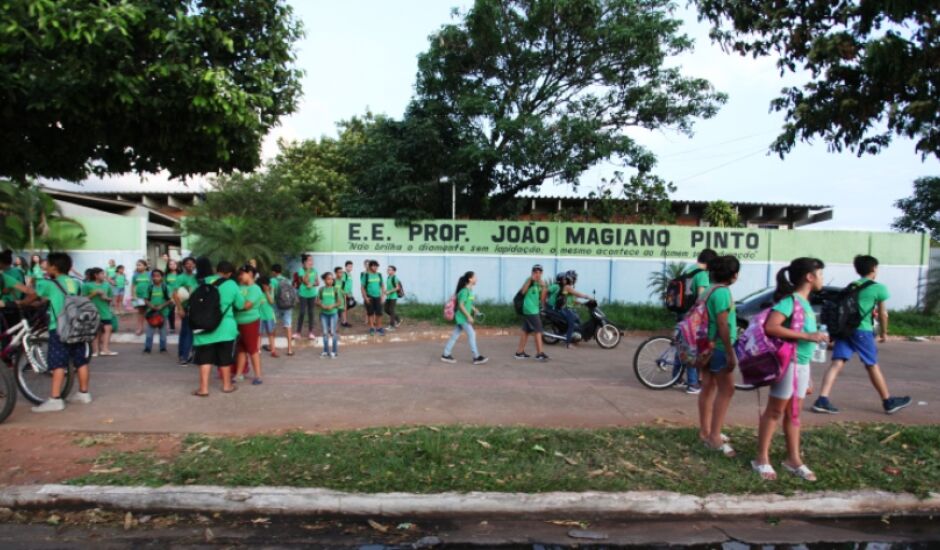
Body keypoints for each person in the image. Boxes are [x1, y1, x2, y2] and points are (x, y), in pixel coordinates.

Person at [752, 258, 829, 482]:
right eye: (821, 274)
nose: (822, 279)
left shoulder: (805, 304)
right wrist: (808, 335)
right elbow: (771, 326)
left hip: (801, 365)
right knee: (775, 412)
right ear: (810, 277)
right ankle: (761, 459)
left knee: (794, 414)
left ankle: (793, 459)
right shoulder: (791, 302)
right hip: (789, 366)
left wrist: (809, 376)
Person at [813, 255, 912, 415]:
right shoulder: (879, 288)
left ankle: (822, 399)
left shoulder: (852, 286)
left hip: (845, 330)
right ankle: (888, 401)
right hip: (862, 330)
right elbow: (883, 313)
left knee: (837, 363)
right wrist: (884, 333)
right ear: (873, 269)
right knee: (872, 364)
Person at [15, 252, 92, 412]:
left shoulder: (49, 283)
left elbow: (34, 297)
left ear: (54, 268)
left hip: (58, 327)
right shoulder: (75, 283)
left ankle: (55, 399)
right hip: (77, 326)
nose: (46, 267)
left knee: (57, 363)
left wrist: (21, 303)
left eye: (47, 264)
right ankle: (83, 393)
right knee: (80, 360)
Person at [698, 255, 741, 458]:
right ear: (732, 275)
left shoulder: (708, 289)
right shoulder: (723, 292)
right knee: (727, 389)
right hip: (719, 347)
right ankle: (714, 437)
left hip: (705, 344)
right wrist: (730, 352)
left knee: (708, 387)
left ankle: (705, 431)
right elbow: (723, 324)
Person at [193, 259, 248, 397]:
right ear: (229, 273)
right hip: (225, 327)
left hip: (203, 326)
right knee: (224, 357)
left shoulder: (202, 281)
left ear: (216, 270)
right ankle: (227, 386)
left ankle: (203, 389)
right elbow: (240, 305)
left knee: (205, 359)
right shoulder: (232, 284)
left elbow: (191, 300)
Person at [681, 248, 718, 395]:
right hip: (692, 314)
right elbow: (702, 297)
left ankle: (676, 379)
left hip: (682, 310)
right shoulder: (702, 274)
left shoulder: (690, 269)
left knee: (682, 344)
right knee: (692, 347)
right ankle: (692, 384)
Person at [441, 271, 488, 365]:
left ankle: (446, 354)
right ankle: (476, 357)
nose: (476, 279)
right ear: (470, 279)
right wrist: (469, 316)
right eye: (475, 277)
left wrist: (474, 310)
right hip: (462, 317)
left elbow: (468, 304)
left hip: (462, 317)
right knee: (472, 334)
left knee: (455, 335)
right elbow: (461, 306)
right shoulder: (464, 291)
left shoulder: (469, 291)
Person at [234, 265, 264, 384]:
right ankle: (239, 374)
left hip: (250, 321)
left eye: (243, 273)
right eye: (240, 273)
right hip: (238, 322)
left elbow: (246, 306)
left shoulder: (255, 289)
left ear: (250, 273)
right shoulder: (238, 287)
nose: (240, 276)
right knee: (241, 349)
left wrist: (236, 305)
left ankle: (258, 376)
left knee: (252, 348)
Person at [515, 264, 549, 361]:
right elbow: (523, 292)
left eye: (539, 272)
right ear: (532, 272)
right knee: (538, 330)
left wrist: (544, 288)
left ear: (542, 273)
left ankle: (519, 352)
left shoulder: (540, 283)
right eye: (535, 272)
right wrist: (531, 280)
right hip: (529, 309)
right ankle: (539, 353)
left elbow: (542, 299)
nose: (537, 274)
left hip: (535, 309)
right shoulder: (529, 280)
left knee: (526, 331)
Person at [83, 267, 117, 357]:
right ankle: (95, 351)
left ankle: (105, 349)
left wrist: (106, 298)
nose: (104, 276)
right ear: (96, 275)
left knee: (107, 329)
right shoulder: (87, 285)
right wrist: (94, 293)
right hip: (92, 311)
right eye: (102, 274)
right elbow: (83, 299)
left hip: (105, 311)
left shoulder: (106, 285)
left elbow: (111, 299)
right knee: (95, 331)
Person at [173, 257, 198, 365]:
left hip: (196, 309)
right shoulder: (180, 278)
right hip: (186, 308)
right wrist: (180, 308)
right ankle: (183, 356)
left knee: (192, 332)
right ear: (183, 265)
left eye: (192, 263)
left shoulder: (197, 278)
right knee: (186, 332)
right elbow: (175, 294)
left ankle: (189, 355)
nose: (190, 265)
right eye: (187, 263)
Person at [143, 269, 171, 354]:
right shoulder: (150, 287)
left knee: (163, 332)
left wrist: (161, 306)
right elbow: (146, 299)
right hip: (151, 314)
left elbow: (170, 300)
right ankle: (147, 348)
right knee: (149, 332)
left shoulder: (165, 287)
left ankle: (163, 348)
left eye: (158, 276)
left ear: (162, 277)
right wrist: (152, 306)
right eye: (154, 276)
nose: (155, 278)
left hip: (163, 313)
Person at [559, 270, 591, 347]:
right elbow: (577, 294)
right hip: (566, 309)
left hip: (570, 309)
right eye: (574, 278)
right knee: (572, 324)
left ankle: (576, 339)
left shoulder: (570, 287)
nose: (575, 280)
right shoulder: (567, 287)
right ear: (570, 278)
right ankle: (568, 343)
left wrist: (584, 304)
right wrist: (587, 297)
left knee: (579, 321)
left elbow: (573, 300)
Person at [270, 264, 294, 357]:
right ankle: (290, 349)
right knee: (288, 326)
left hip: (276, 305)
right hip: (287, 305)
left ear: (273, 272)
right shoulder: (287, 280)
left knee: (273, 325)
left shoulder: (272, 280)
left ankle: (273, 348)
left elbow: (272, 295)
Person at [294, 254, 318, 340]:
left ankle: (311, 332)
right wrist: (307, 270)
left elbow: (317, 282)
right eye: (309, 260)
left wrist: (312, 284)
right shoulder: (301, 270)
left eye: (312, 260)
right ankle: (298, 332)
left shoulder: (315, 270)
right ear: (304, 262)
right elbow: (304, 280)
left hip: (312, 294)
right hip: (303, 294)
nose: (311, 262)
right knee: (302, 312)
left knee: (311, 313)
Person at [317, 272, 341, 357]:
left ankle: (334, 351)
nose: (330, 280)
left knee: (333, 332)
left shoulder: (335, 289)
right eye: (328, 279)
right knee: (325, 332)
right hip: (324, 314)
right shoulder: (321, 289)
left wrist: (332, 305)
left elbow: (339, 302)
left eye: (331, 279)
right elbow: (317, 300)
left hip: (333, 314)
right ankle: (325, 351)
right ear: (324, 280)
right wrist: (322, 305)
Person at [361, 260, 385, 336]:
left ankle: (379, 328)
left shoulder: (379, 275)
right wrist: (365, 297)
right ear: (370, 267)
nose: (375, 267)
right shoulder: (366, 275)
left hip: (378, 297)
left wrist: (382, 296)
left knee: (379, 313)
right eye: (373, 266)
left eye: (376, 266)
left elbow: (382, 286)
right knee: (370, 313)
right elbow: (362, 287)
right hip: (369, 297)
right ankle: (371, 328)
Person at [257, 274, 278, 358]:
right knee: (259, 334)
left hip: (269, 316)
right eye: (266, 284)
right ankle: (257, 350)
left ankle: (273, 350)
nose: (268, 285)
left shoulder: (270, 291)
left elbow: (271, 302)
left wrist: (267, 291)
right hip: (259, 316)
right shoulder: (257, 291)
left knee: (271, 333)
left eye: (268, 284)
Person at [130, 260, 151, 336]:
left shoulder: (150, 274)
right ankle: (140, 328)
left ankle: (150, 328)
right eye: (137, 265)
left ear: (145, 266)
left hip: (149, 297)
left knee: (150, 313)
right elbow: (133, 286)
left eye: (140, 265)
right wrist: (133, 295)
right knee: (140, 313)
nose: (138, 267)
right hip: (139, 297)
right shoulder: (135, 275)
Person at [165, 259, 180, 333]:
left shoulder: (180, 274)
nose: (172, 265)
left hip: (180, 295)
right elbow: (164, 285)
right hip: (170, 296)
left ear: (177, 265)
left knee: (182, 311)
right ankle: (172, 327)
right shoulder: (166, 275)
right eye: (170, 264)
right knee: (171, 312)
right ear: (168, 266)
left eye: (174, 264)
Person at [339, 261, 354, 327]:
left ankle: (340, 314)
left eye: (351, 266)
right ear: (346, 267)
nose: (350, 268)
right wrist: (344, 293)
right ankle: (344, 322)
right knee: (344, 307)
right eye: (349, 266)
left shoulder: (349, 274)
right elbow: (342, 284)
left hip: (349, 293)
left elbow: (349, 285)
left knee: (352, 303)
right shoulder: (344, 274)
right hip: (344, 293)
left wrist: (350, 293)